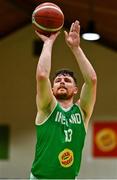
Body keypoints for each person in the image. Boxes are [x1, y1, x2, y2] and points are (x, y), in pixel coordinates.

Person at [30, 20, 97, 179]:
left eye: (67, 81)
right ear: (51, 90)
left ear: (75, 90)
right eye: (58, 80)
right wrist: (48, 42)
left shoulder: (82, 112)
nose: (61, 81)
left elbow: (92, 80)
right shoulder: (47, 107)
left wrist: (76, 48)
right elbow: (42, 75)